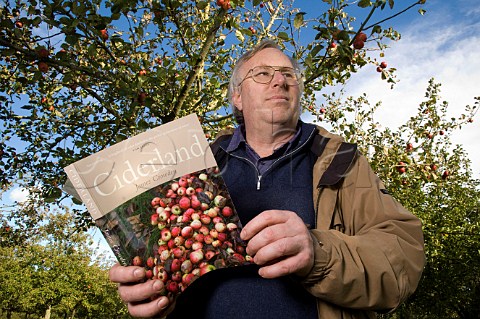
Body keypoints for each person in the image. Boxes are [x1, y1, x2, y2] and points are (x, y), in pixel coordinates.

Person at [109, 39, 425, 318]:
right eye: (263, 74)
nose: (279, 81)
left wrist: (318, 253)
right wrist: (152, 298)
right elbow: (170, 260)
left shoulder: (341, 161)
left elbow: (402, 262)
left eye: (289, 75)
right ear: (237, 96)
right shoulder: (197, 165)